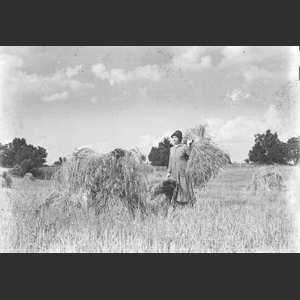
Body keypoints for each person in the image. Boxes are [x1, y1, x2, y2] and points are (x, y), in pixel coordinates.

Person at [167, 130, 196, 207]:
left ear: (179, 138)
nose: (174, 139)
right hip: (174, 173)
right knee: (175, 189)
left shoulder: (184, 147)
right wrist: (169, 171)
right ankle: (176, 204)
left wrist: (189, 145)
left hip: (182, 172)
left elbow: (191, 155)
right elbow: (170, 160)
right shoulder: (172, 149)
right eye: (173, 137)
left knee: (184, 188)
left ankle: (188, 204)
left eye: (175, 137)